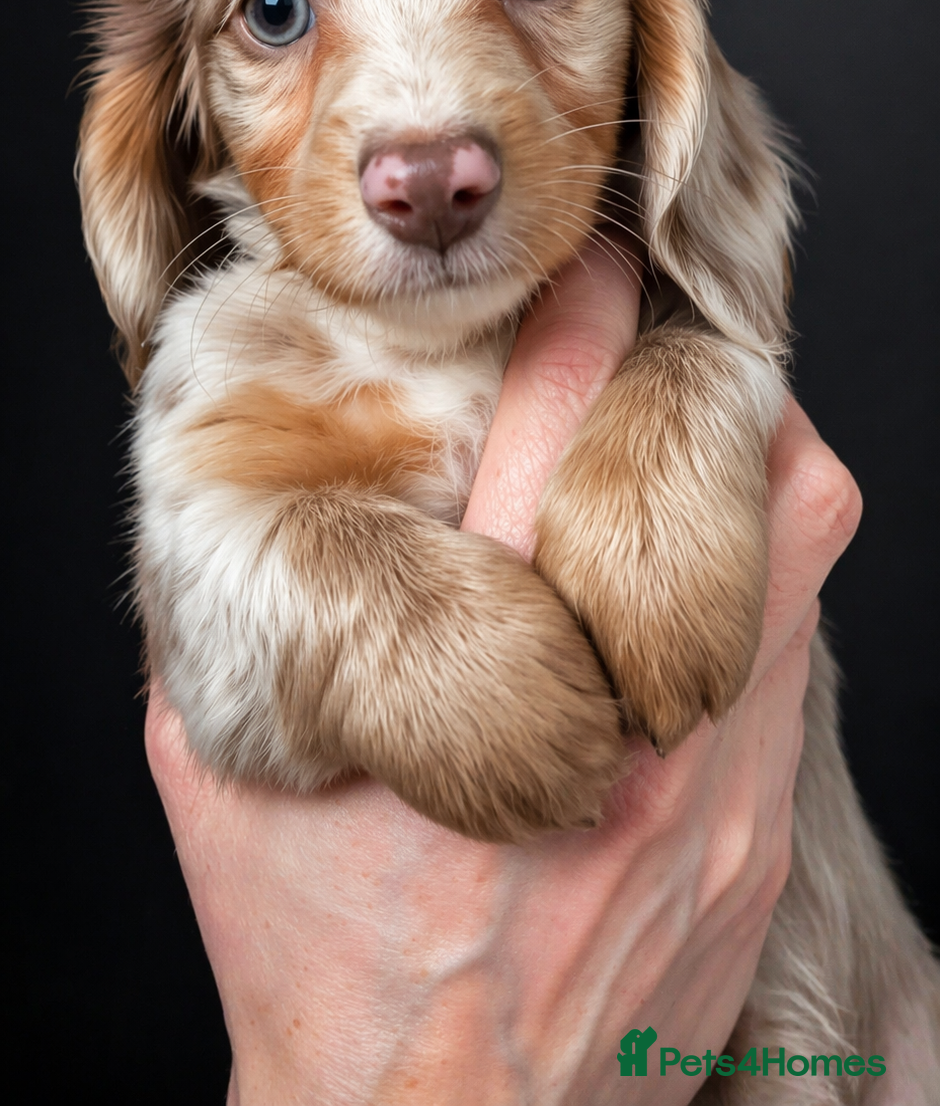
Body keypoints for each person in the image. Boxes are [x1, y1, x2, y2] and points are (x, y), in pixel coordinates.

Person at [146, 240, 862, 1104]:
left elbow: (720, 320)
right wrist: (387, 622)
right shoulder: (232, 348)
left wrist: (692, 370)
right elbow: (211, 617)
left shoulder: (638, 261)